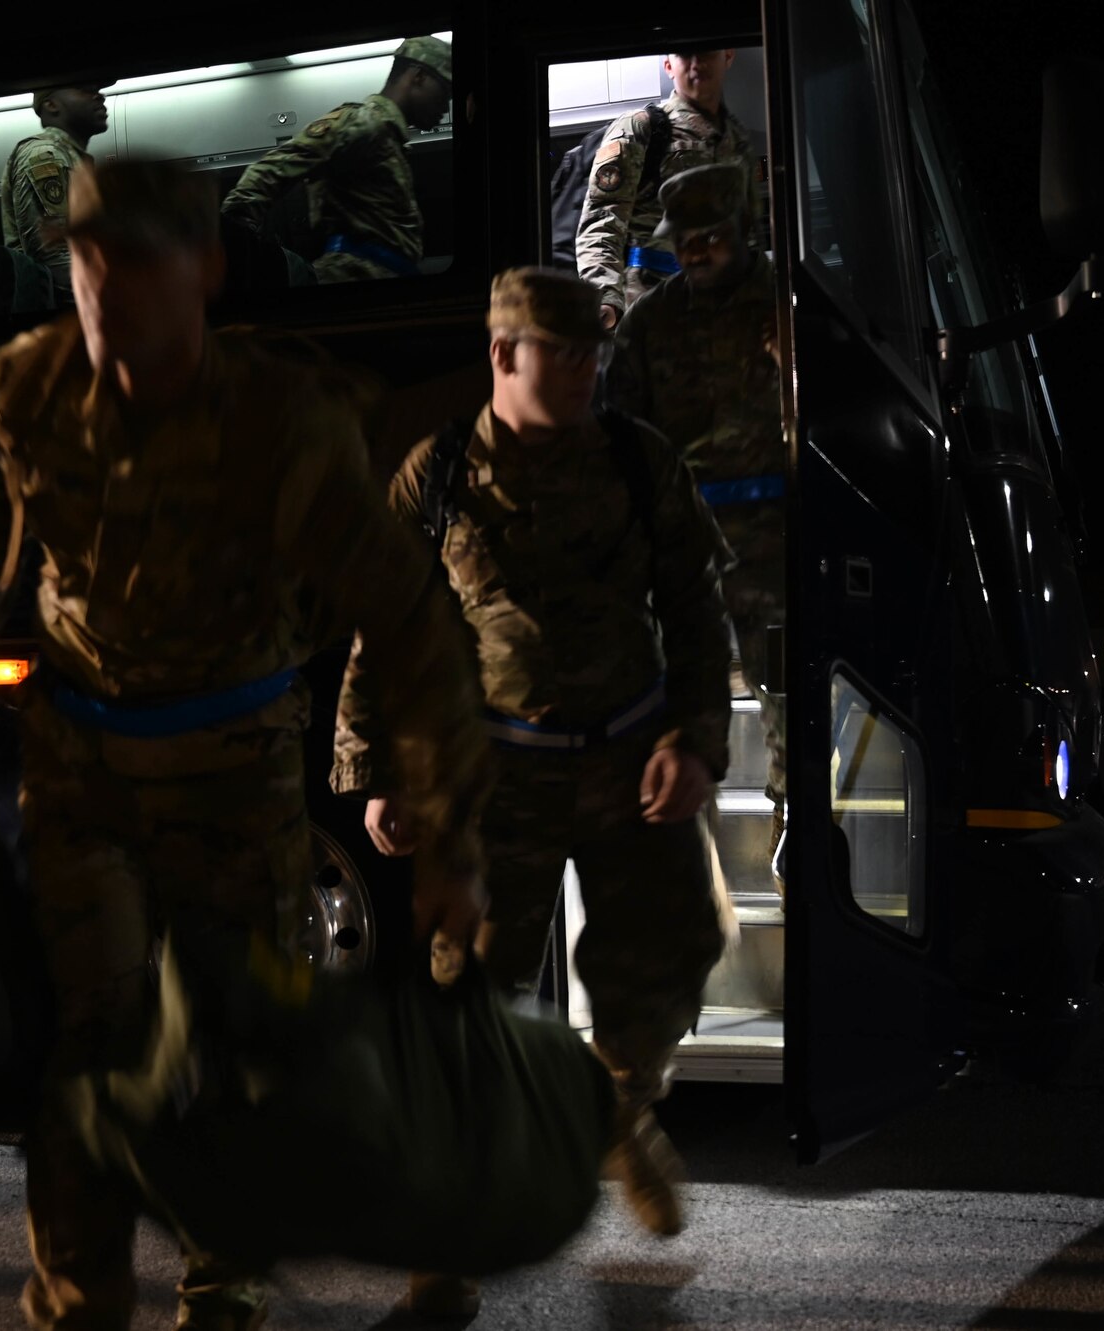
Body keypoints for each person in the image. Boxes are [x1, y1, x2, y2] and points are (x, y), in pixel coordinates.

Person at [0, 159, 492, 1331]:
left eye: (145, 258)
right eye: (88, 257)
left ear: (207, 269)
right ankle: (83, 1306)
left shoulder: (278, 416)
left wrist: (449, 825)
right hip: (85, 770)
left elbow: (406, 618)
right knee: (90, 1048)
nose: (110, 285)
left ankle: (267, 1270)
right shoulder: (12, 394)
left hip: (233, 768)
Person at [333, 269, 730, 1308]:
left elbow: (695, 611)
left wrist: (694, 740)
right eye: (568, 352)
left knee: (670, 955)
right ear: (505, 354)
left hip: (629, 756)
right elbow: (388, 627)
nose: (591, 368)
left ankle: (615, 1107)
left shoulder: (640, 464)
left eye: (596, 349)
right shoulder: (437, 476)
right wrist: (370, 765)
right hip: (496, 771)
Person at [607, 163, 787, 879]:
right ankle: (688, 854)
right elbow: (622, 429)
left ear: (742, 230)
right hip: (688, 546)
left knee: (782, 691)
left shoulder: (783, 297)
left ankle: (791, 821)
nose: (695, 252)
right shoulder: (652, 321)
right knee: (681, 699)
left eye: (711, 236)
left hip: (772, 539)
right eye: (685, 239)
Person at [219, 36, 452, 282]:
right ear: (418, 77)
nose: (445, 108)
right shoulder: (364, 122)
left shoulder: (389, 138)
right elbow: (271, 168)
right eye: (444, 91)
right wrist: (235, 240)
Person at [575, 51, 761, 329]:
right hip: (651, 313)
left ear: (728, 56)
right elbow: (601, 224)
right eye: (685, 54)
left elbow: (748, 237)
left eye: (707, 50)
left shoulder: (738, 142)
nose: (697, 62)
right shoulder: (642, 129)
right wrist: (605, 299)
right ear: (668, 65)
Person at [1, 81, 108, 303]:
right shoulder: (46, 155)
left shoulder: (72, 160)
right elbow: (55, 258)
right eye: (85, 89)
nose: (99, 96)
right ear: (51, 105)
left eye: (97, 90)